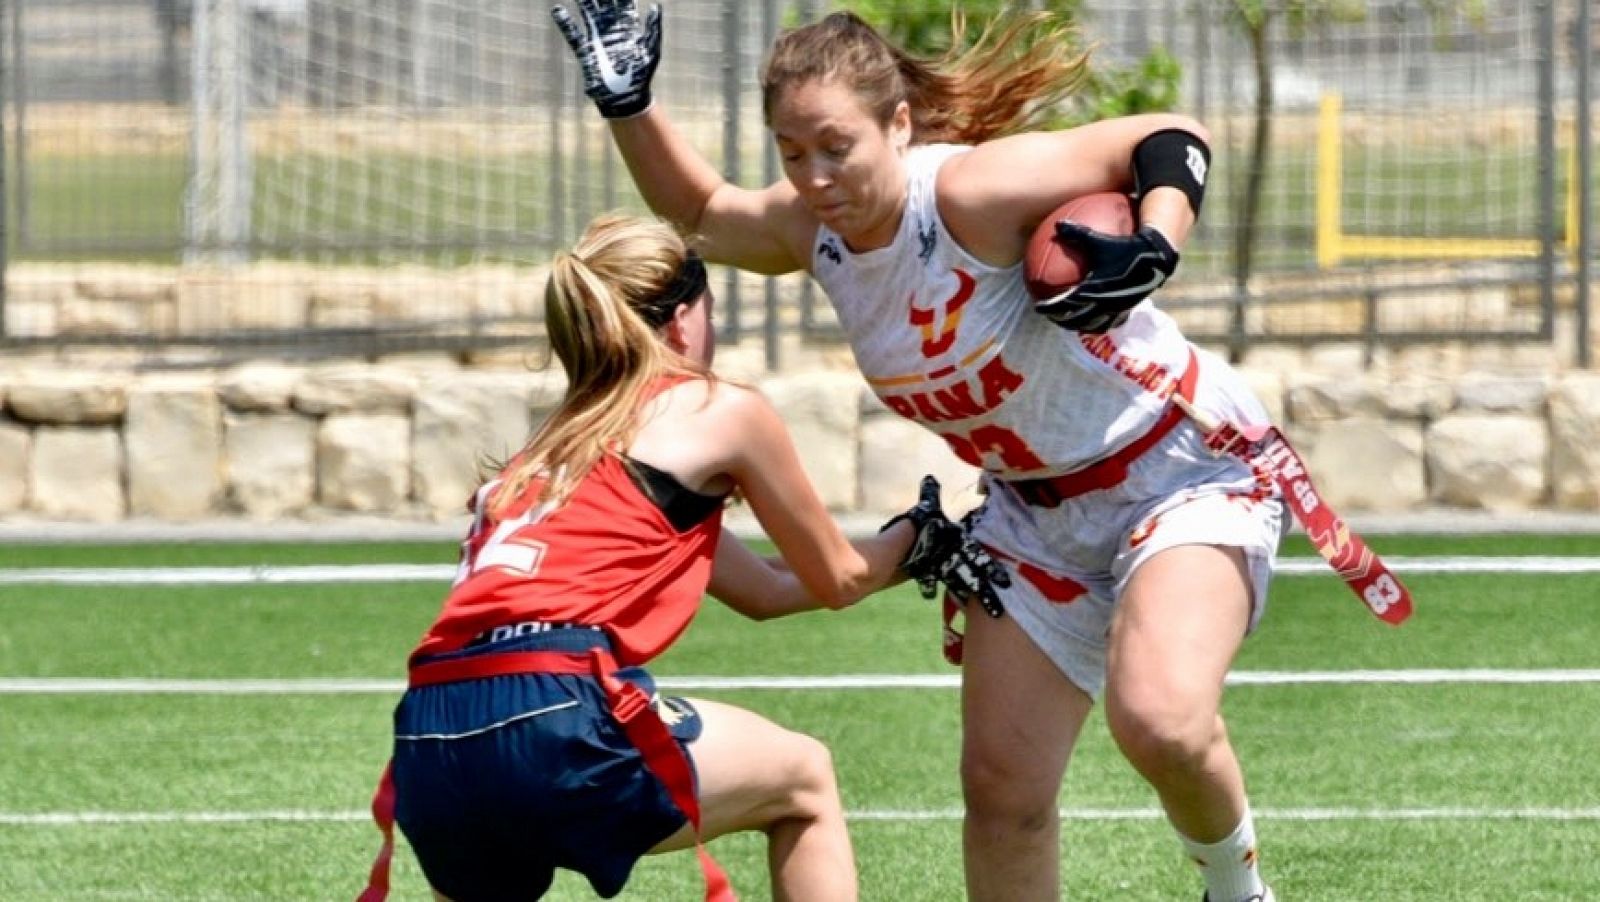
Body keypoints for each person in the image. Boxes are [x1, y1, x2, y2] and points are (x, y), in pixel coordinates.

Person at [552, 4, 1286, 901]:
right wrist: (626, 101)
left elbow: (1170, 136)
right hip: (1031, 515)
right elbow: (704, 210)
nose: (814, 177)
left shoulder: (968, 195)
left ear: (898, 125)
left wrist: (1156, 242)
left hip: (1175, 467)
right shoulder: (810, 229)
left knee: (1161, 720)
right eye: (791, 152)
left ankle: (1237, 892)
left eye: (835, 146)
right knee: (1002, 795)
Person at [355, 212, 1007, 902]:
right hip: (554, 703)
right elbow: (840, 577)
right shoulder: (712, 408)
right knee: (804, 780)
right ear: (683, 319)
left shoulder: (553, 446)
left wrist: (905, 550)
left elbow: (765, 591)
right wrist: (925, 535)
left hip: (431, 732)